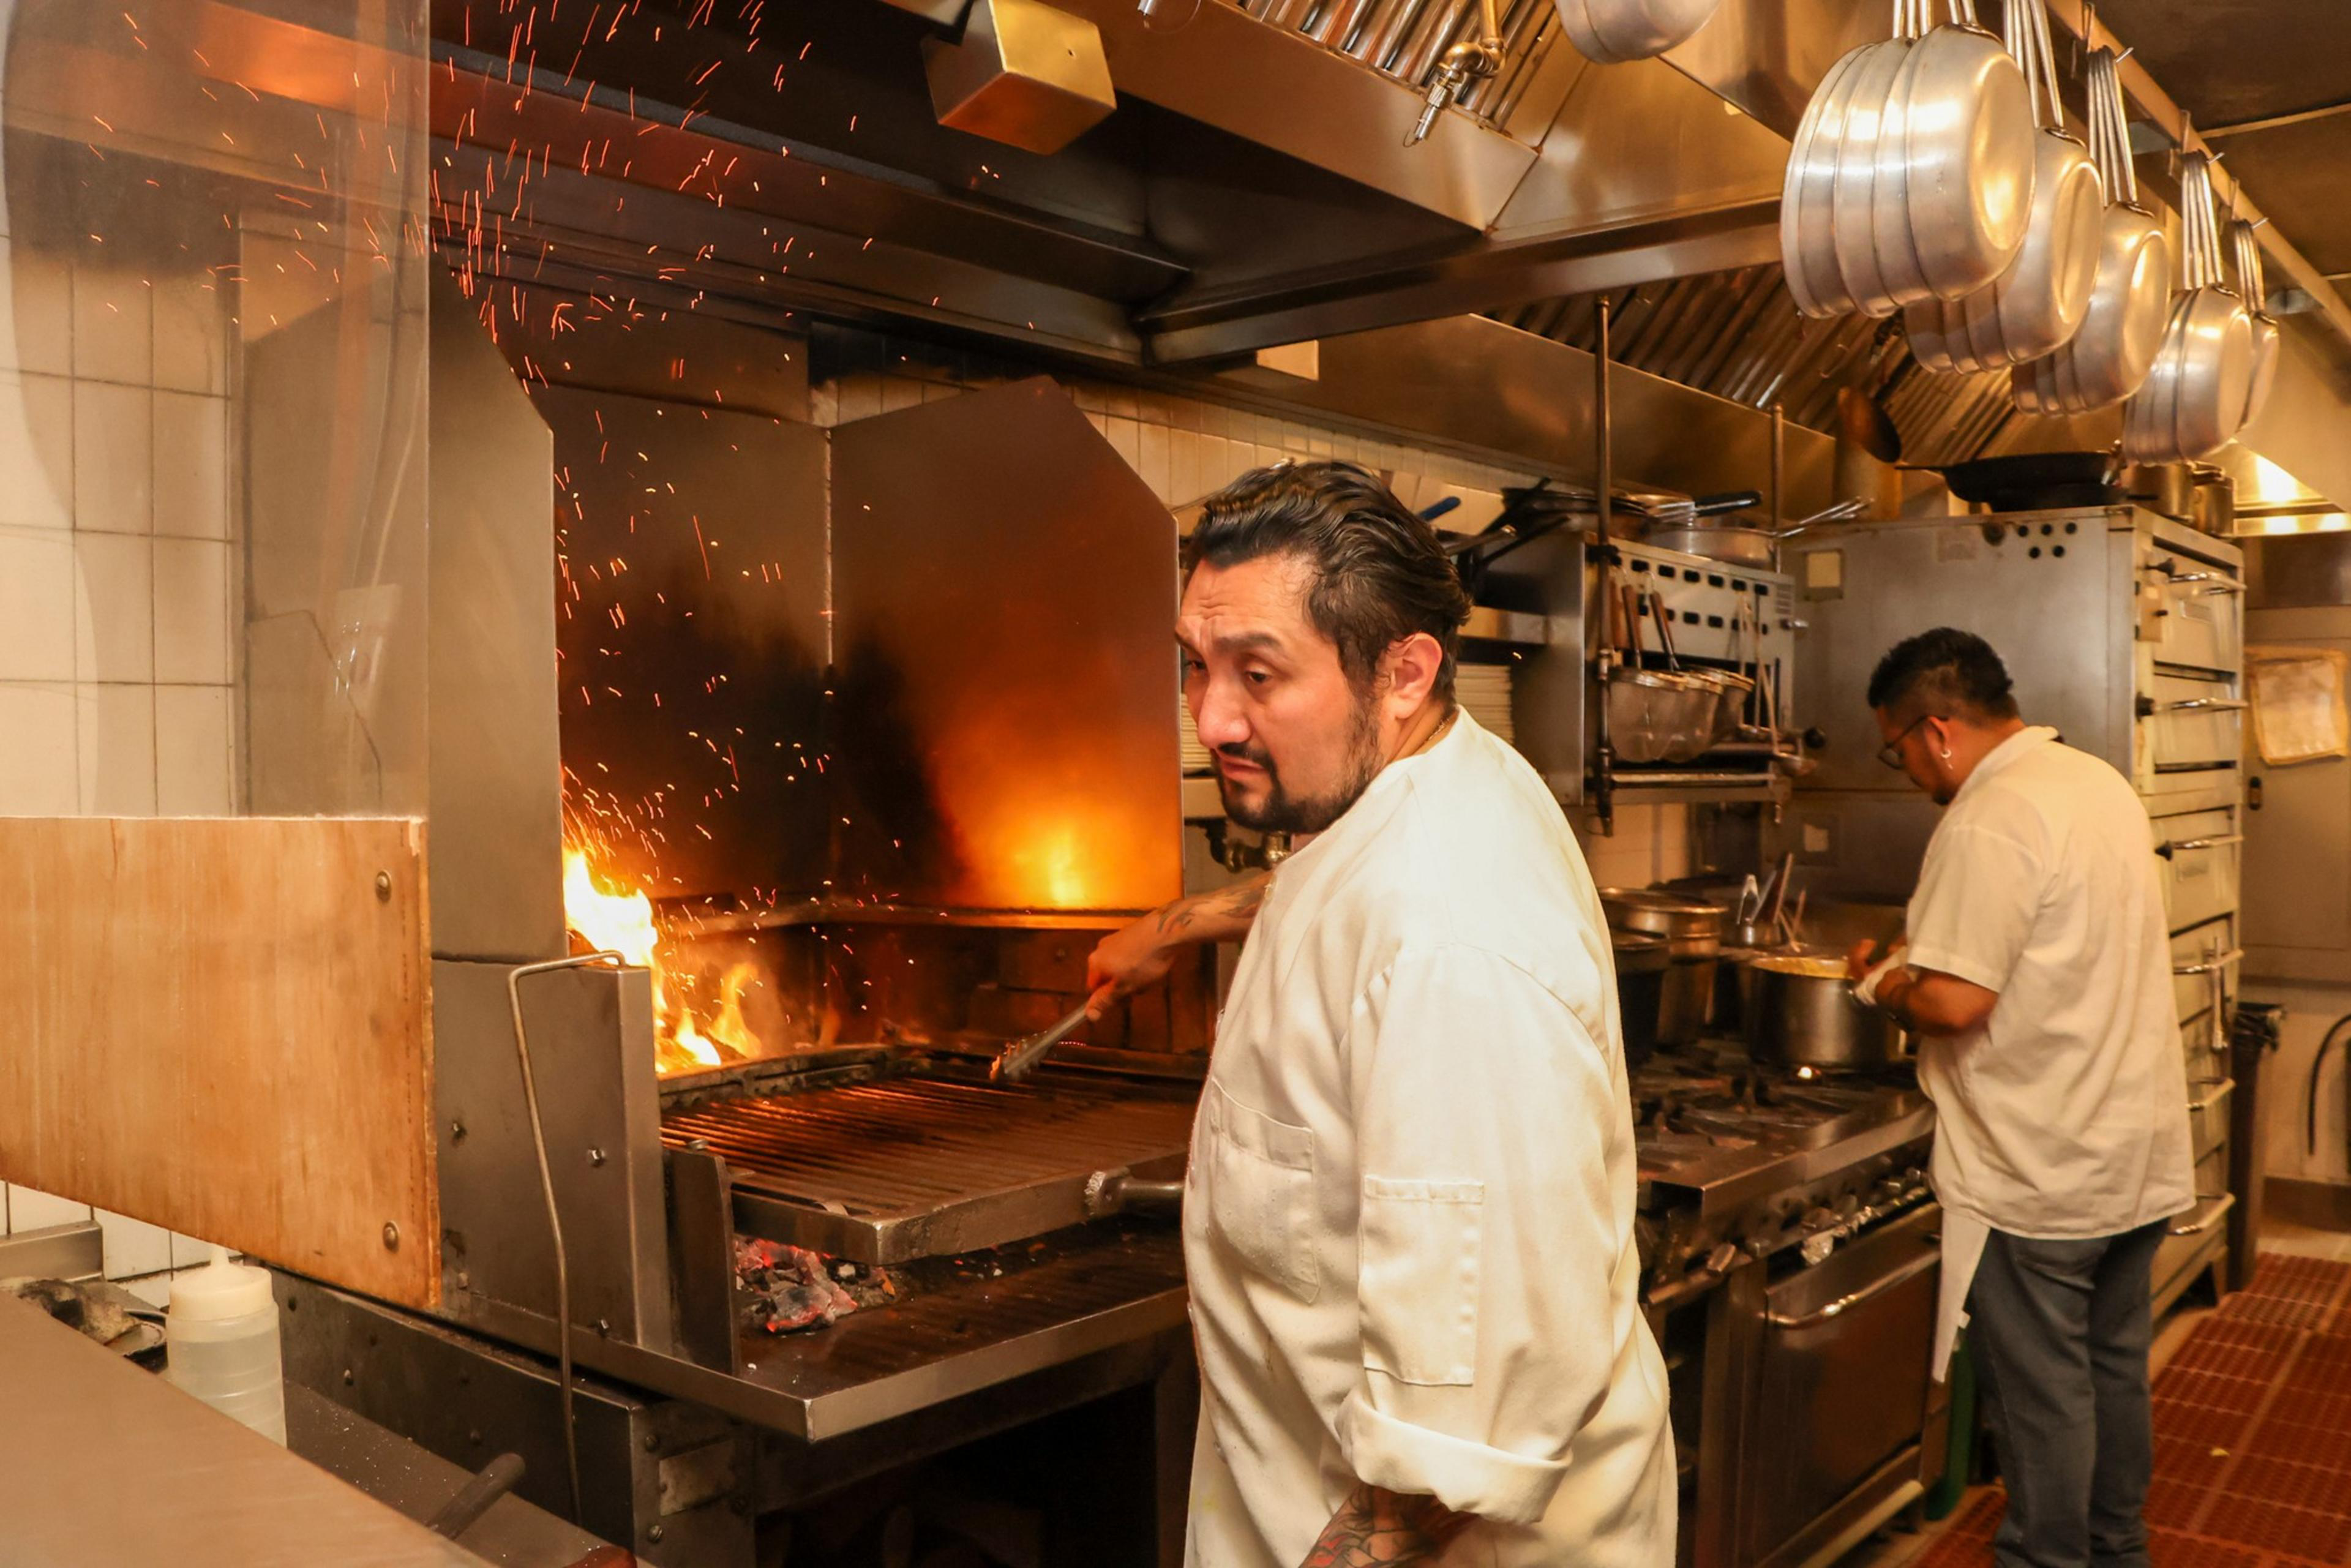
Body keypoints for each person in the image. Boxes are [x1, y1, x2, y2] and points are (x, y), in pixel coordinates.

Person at [1087, 461, 1673, 1568]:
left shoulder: (1456, 950)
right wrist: (1179, 925)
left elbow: (1460, 1441)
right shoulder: (1422, 779)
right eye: (1195, 666)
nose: (1213, 716)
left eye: (1261, 675)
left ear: (1403, 672)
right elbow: (1338, 887)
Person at [1846, 628, 2192, 1568]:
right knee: (2112, 1371)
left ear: (1937, 729)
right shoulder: (2095, 784)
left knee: (2044, 1397)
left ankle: (2049, 1560)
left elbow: (1956, 1001)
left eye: (1900, 746)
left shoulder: (1990, 816)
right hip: (2133, 1148)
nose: (1911, 770)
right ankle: (2117, 1552)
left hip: (2042, 1169)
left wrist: (1881, 987)